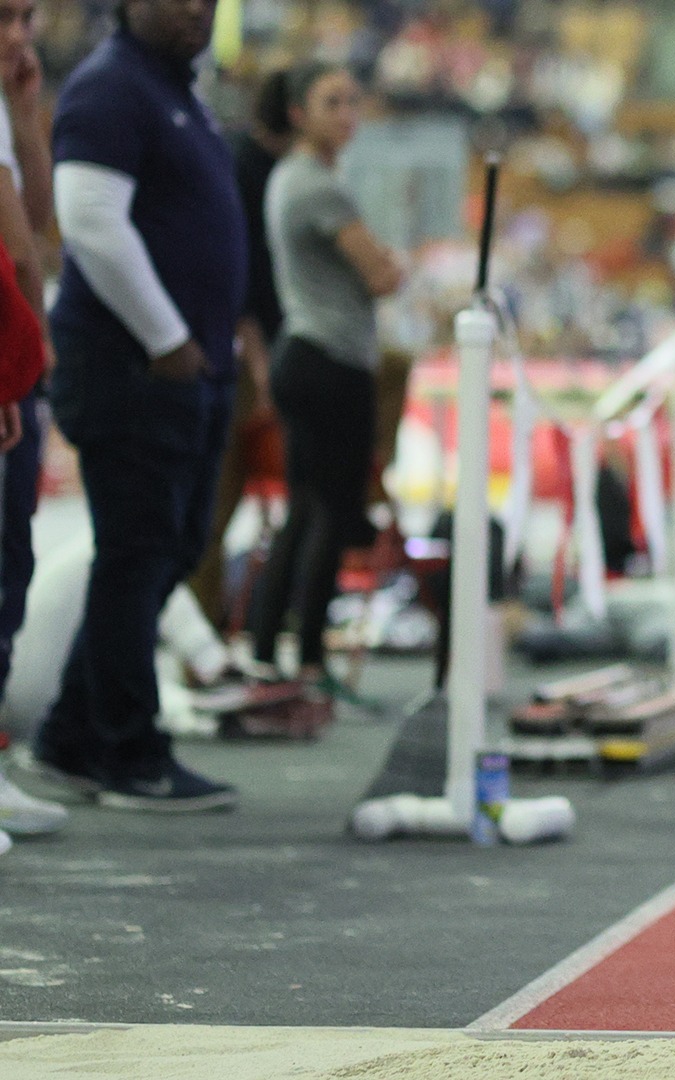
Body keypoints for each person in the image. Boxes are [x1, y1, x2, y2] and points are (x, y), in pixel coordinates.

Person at [22, 0, 246, 812]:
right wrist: (165, 336)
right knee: (137, 552)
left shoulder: (174, 92)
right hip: (133, 366)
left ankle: (75, 737)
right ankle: (127, 748)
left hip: (184, 366)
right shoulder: (111, 88)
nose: (196, 6)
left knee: (168, 547)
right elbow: (90, 222)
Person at [244, 61, 402, 686]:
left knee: (306, 512)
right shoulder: (319, 188)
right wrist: (395, 262)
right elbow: (381, 275)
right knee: (329, 515)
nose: (348, 114)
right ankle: (308, 656)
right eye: (331, 101)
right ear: (298, 113)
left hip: (308, 353)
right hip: (330, 360)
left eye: (353, 101)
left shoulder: (291, 179)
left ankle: (266, 647)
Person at [184, 69, 293, 638]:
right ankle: (201, 629)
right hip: (242, 352)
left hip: (251, 348)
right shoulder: (246, 167)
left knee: (220, 505)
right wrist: (259, 364)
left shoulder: (274, 167)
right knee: (217, 502)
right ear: (298, 114)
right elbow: (241, 279)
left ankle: (213, 622)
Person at [0, 0, 66, 844]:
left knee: (9, 569)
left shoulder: (7, 104)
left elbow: (39, 226)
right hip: (9, 371)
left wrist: (23, 116)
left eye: (27, 16)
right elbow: (23, 253)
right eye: (3, 16)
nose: (18, 36)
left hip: (16, 369)